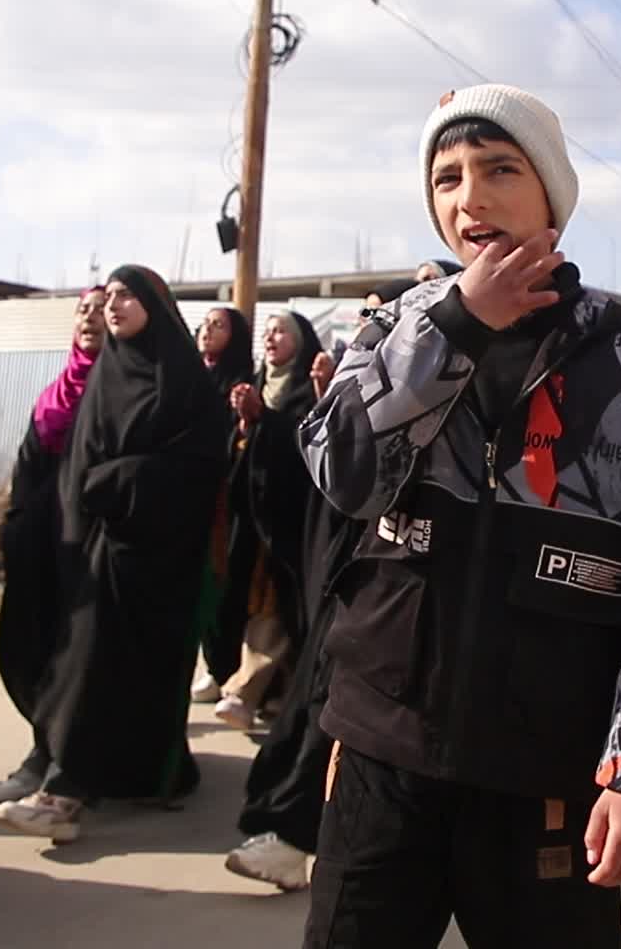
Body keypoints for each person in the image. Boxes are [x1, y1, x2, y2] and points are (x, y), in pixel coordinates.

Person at [298, 84, 621, 947]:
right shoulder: (395, 329)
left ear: (552, 194)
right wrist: (455, 328)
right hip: (385, 751)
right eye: (447, 177)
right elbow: (345, 477)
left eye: (499, 170)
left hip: (545, 775)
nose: (470, 197)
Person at [0, 266, 226, 843]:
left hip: (158, 558)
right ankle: (72, 775)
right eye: (108, 297)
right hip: (95, 549)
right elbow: (75, 466)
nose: (113, 306)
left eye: (125, 296)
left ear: (154, 304)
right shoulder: (104, 378)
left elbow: (201, 467)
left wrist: (125, 480)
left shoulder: (185, 382)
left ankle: (64, 793)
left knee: (111, 667)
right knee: (82, 661)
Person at [224, 280, 411, 893]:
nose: (370, 326)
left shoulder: (430, 392)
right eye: (365, 317)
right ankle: (296, 836)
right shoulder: (353, 387)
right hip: (345, 584)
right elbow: (321, 490)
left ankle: (299, 837)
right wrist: (325, 411)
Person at [0, 287, 107, 804]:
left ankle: (59, 759)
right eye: (83, 310)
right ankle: (44, 743)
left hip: (90, 549)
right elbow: (29, 464)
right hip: (42, 543)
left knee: (77, 655)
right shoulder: (57, 390)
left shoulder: (122, 388)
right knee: (26, 642)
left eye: (103, 310)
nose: (91, 318)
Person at [208, 310, 328, 731]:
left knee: (278, 605)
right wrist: (246, 424)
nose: (272, 338)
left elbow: (309, 443)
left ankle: (244, 690)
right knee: (252, 599)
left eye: (281, 331)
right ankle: (274, 695)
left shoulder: (307, 389)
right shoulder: (257, 384)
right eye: (268, 331)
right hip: (254, 519)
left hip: (292, 520)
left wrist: (267, 421)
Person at [191, 306, 253, 706]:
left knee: (226, 585)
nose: (207, 331)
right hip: (191, 494)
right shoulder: (191, 377)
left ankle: (226, 668)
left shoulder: (243, 383)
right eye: (205, 324)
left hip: (229, 500)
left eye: (219, 325)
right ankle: (209, 664)